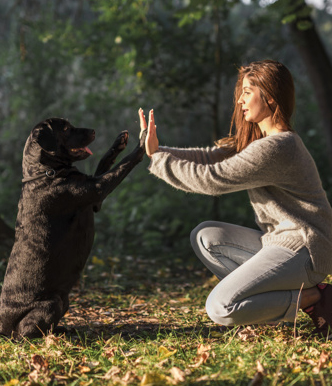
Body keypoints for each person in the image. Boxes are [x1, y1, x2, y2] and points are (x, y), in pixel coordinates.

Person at [138, 60, 332, 337]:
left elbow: (211, 178)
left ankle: (311, 297)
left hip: (306, 249)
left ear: (271, 96)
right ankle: (263, 306)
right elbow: (209, 157)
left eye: (247, 92)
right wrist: (158, 150)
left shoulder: (279, 147)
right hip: (279, 243)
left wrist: (159, 159)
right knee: (206, 236)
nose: (240, 100)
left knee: (220, 307)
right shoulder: (261, 141)